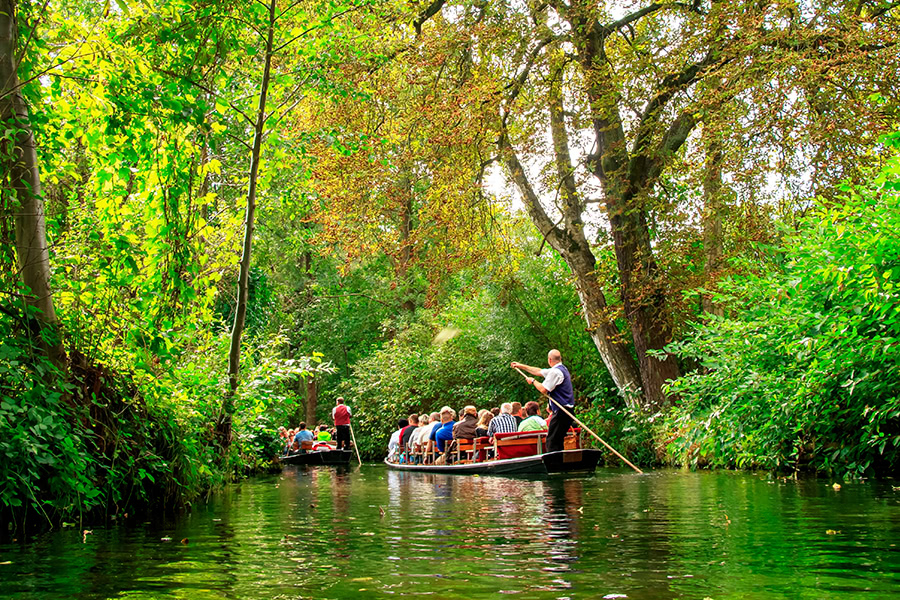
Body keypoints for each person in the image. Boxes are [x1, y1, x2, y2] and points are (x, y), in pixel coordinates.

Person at [511, 349, 575, 452]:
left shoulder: (555, 372)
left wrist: (533, 381)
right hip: (567, 410)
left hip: (562, 411)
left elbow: (543, 389)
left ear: (549, 360)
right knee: (557, 439)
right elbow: (538, 371)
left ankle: (554, 464)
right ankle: (561, 462)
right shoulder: (561, 369)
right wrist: (520, 366)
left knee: (551, 441)